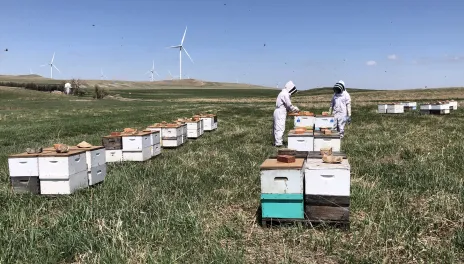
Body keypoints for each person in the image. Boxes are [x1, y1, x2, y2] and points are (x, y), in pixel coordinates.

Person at [273, 80, 300, 147]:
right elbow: (289, 105)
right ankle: (278, 144)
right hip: (280, 112)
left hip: (279, 111)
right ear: (290, 87)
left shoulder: (283, 93)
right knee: (280, 127)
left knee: (277, 127)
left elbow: (286, 106)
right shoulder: (285, 94)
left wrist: (290, 110)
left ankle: (276, 142)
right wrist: (295, 109)